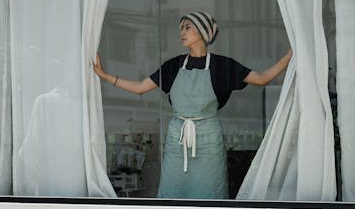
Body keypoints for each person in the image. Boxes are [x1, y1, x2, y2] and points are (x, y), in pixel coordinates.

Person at [94, 11, 292, 199]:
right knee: (172, 193)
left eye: (187, 27)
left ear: (203, 32)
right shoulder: (173, 65)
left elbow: (262, 78)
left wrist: (293, 53)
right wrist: (105, 76)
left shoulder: (222, 66)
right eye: (181, 28)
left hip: (209, 140)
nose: (182, 32)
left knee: (210, 193)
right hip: (177, 139)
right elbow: (140, 88)